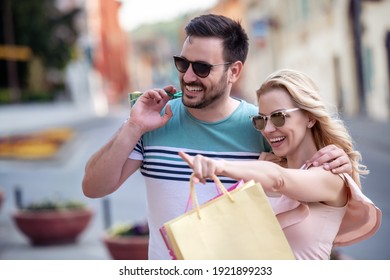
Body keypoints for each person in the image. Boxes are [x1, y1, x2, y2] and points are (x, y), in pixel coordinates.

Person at [82, 14, 352, 260]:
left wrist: (336, 158)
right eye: (182, 63)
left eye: (201, 68)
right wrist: (133, 126)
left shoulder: (260, 126)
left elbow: (303, 189)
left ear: (234, 71)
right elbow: (93, 188)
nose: (188, 76)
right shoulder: (153, 120)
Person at [179, 68, 381, 260]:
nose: (267, 129)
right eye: (261, 120)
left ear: (310, 117)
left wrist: (218, 166)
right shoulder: (265, 163)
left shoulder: (331, 176)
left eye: (278, 117)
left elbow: (279, 180)